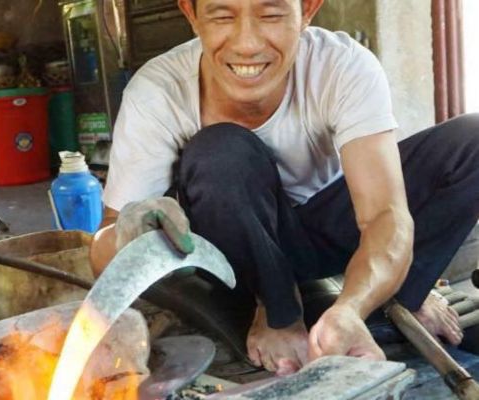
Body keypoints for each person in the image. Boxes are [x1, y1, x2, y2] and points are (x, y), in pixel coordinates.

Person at [89, 0, 479, 376]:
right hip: (238, 245)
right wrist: (129, 232)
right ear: (191, 14)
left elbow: (383, 214)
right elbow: (103, 250)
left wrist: (351, 308)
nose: (247, 43)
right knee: (220, 150)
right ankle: (279, 312)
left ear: (307, 9)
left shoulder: (342, 64)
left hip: (326, 235)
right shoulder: (159, 89)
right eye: (222, 15)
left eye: (271, 14)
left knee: (472, 140)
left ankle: (389, 301)